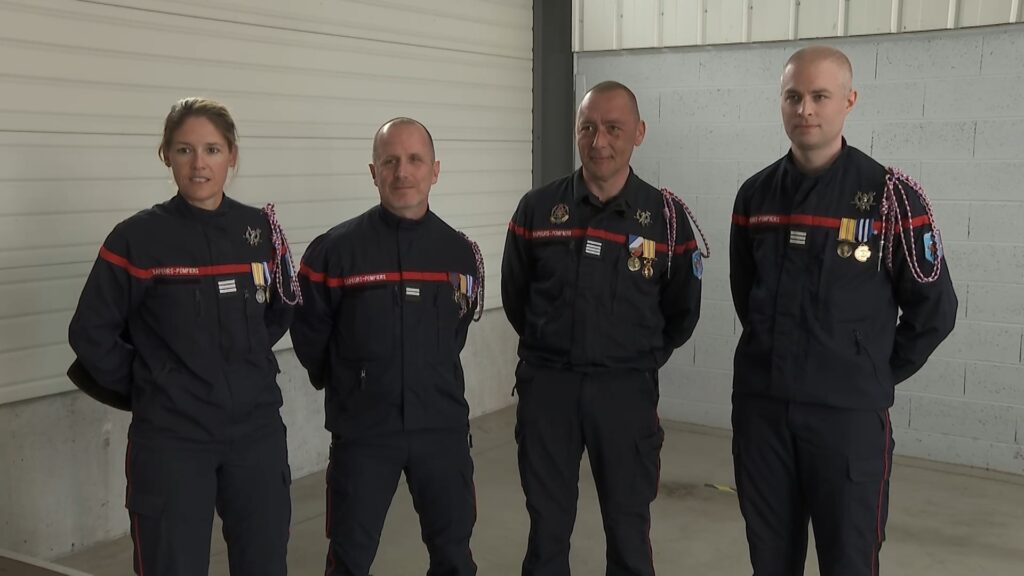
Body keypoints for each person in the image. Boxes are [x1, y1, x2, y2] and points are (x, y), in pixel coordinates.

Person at [729, 46, 958, 576]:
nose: (804, 109)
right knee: (769, 558)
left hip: (847, 420)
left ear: (849, 101)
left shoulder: (890, 198)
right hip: (763, 412)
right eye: (793, 97)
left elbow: (935, 311)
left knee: (849, 560)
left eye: (819, 96)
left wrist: (871, 369)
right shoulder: (755, 195)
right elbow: (749, 296)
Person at [68, 97, 302, 576]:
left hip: (255, 433)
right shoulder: (135, 239)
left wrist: (246, 366)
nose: (200, 164)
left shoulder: (260, 231)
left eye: (213, 150)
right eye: (184, 150)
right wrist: (156, 385)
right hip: (172, 439)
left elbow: (280, 309)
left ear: (232, 155)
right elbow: (90, 333)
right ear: (165, 155)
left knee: (264, 563)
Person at [501, 81, 704, 576]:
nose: (599, 142)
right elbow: (515, 298)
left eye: (614, 128)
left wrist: (635, 357)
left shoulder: (666, 219)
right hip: (549, 389)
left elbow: (683, 311)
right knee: (547, 527)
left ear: (639, 132)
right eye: (588, 128)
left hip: (625, 393)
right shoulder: (537, 210)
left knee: (628, 526)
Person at [291, 117, 484, 576]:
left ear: (435, 170)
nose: (403, 172)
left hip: (441, 429)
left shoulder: (459, 252)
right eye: (390, 161)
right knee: (349, 560)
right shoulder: (332, 252)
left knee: (454, 556)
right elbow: (309, 333)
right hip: (364, 433)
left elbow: (455, 333)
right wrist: (350, 384)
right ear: (373, 171)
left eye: (415, 160)